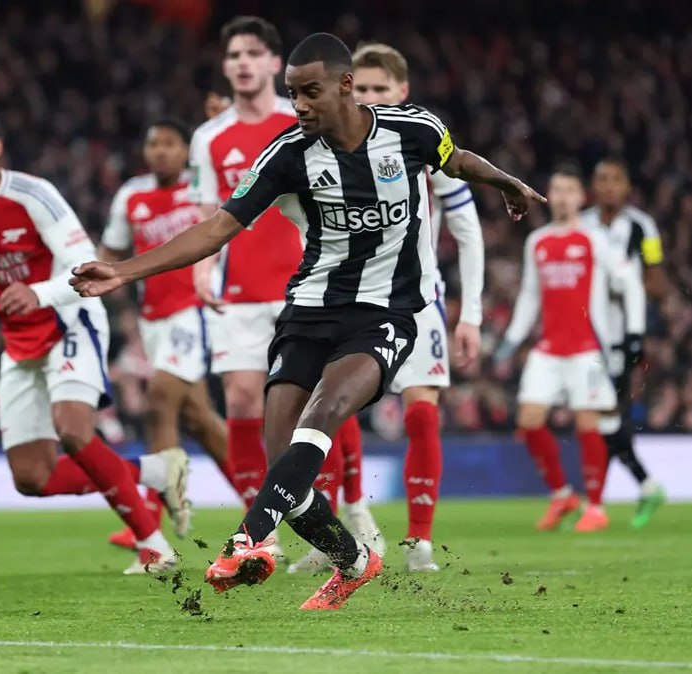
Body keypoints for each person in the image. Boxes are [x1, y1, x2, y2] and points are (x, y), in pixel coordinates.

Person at [73, 32, 543, 610]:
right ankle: (355, 561)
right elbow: (216, 229)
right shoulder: (287, 155)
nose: (298, 105)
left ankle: (247, 539)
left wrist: (506, 182)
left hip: (386, 313)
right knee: (285, 468)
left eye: (310, 92)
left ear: (345, 85)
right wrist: (123, 271)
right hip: (310, 311)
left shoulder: (413, 130)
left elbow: (458, 158)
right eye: (292, 93)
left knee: (323, 413)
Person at [0, 103, 190, 575]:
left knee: (73, 430)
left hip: (69, 318)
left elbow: (84, 262)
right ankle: (156, 471)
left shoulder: (34, 195)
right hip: (18, 340)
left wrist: (38, 292)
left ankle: (154, 547)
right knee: (31, 478)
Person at [290, 42, 486, 575]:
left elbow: (467, 228)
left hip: (417, 302)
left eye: (382, 89)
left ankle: (419, 539)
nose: (371, 97)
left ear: (403, 91)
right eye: (364, 88)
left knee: (421, 410)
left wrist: (470, 314)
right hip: (350, 303)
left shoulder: (421, 144)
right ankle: (341, 524)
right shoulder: (325, 148)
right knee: (330, 411)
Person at [189, 17, 367, 561]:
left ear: (273, 63)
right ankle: (264, 532)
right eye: (233, 55)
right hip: (239, 290)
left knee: (320, 404)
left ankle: (337, 513)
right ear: (225, 67)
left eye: (252, 53)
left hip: (306, 285)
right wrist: (203, 271)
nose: (242, 63)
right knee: (244, 400)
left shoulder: (305, 121)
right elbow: (209, 212)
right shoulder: (209, 137)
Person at [99, 119, 237, 550]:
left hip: (195, 310)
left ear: (185, 151)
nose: (159, 150)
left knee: (159, 398)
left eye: (169, 143)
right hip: (153, 319)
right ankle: (271, 501)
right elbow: (112, 250)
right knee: (200, 420)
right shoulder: (131, 195)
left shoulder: (202, 191)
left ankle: (147, 525)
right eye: (152, 143)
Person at [495, 167, 644, 532]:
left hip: (587, 349)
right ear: (548, 196)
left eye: (569, 190)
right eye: (556, 190)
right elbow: (530, 295)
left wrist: (634, 332)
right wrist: (512, 339)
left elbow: (629, 282)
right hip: (548, 348)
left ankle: (596, 506)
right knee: (529, 420)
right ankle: (562, 495)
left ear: (581, 197)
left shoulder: (595, 240)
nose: (562, 197)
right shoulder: (538, 241)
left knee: (587, 422)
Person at [579, 158, 667, 527]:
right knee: (603, 416)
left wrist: (625, 284)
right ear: (593, 186)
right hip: (584, 335)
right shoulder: (580, 225)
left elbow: (657, 282)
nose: (609, 186)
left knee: (604, 414)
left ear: (627, 186)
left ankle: (603, 500)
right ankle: (632, 489)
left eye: (615, 179)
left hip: (620, 338)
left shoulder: (642, 227)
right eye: (602, 179)